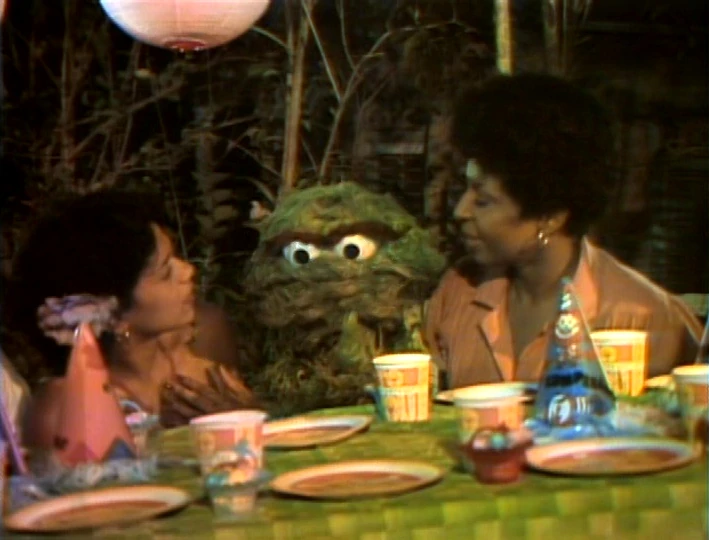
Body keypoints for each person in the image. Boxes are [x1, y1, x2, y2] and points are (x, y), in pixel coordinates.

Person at [424, 73, 703, 390]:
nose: (460, 211)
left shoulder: (644, 318)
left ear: (550, 217)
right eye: (464, 190)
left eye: (483, 201)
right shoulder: (458, 293)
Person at [6, 189, 259, 446]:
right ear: (113, 316)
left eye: (176, 258)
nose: (188, 271)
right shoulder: (65, 410)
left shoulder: (204, 342)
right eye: (165, 272)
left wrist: (245, 418)